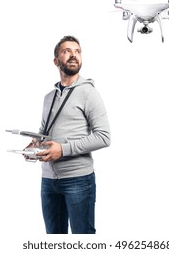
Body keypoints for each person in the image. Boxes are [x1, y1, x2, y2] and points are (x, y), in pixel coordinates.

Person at [27, 35, 110, 234]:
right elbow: (45, 131)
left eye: (77, 51)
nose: (74, 55)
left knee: (83, 241)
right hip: (48, 180)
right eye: (67, 51)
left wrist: (62, 150)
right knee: (55, 241)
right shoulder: (49, 97)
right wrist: (35, 144)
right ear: (56, 61)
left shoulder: (89, 93)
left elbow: (104, 136)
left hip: (78, 180)